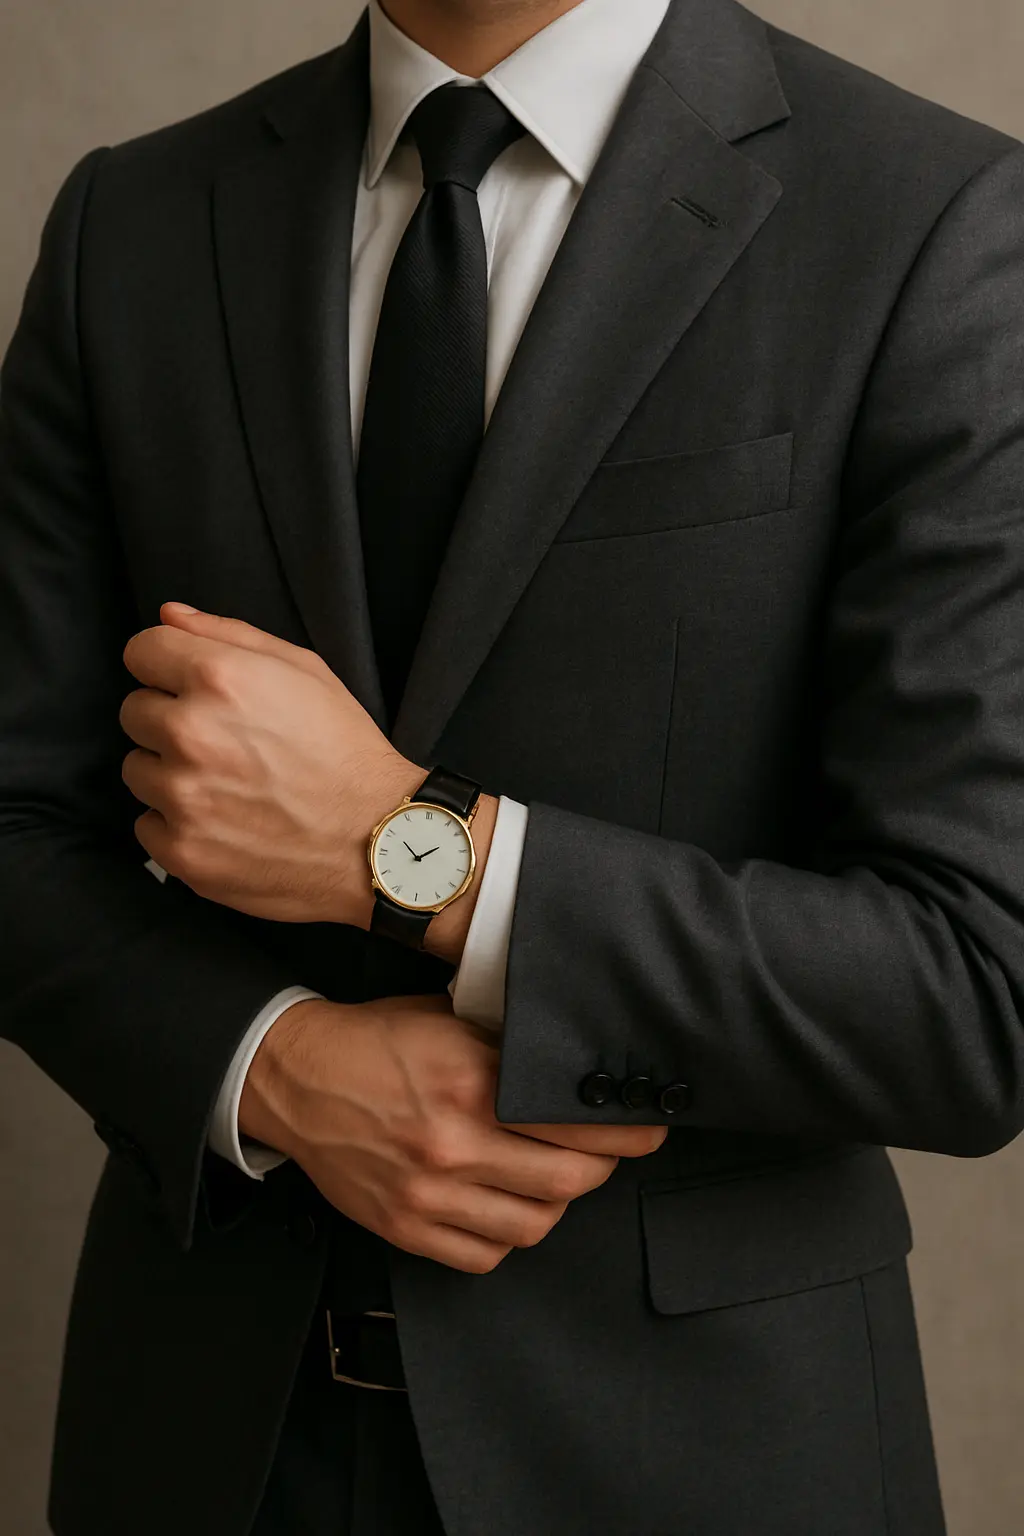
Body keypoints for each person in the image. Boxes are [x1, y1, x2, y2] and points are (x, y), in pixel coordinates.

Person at [2, 0, 1024, 1529]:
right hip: (206, 1447)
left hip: (699, 1464)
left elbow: (974, 989)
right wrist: (268, 1066)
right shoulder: (132, 221)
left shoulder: (937, 219)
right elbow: (15, 820)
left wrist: (406, 849)